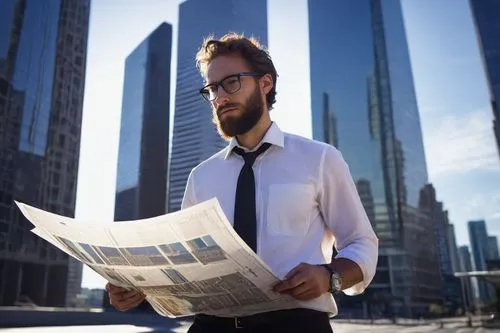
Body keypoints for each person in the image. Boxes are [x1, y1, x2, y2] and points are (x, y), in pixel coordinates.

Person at [106, 33, 378, 333]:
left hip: (296, 325)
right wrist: (141, 289)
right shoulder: (201, 176)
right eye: (212, 88)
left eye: (231, 82)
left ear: (265, 83)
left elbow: (361, 243)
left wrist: (330, 277)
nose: (220, 97)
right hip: (210, 327)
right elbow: (185, 267)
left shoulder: (320, 158)